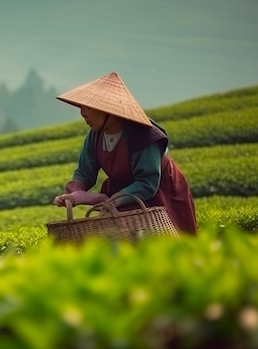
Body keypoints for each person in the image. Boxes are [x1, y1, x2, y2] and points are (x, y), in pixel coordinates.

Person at [52, 72, 197, 235]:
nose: (83, 113)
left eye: (89, 107)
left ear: (109, 111)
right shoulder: (96, 134)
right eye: (82, 107)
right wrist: (77, 192)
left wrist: (108, 200)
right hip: (121, 195)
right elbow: (85, 171)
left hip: (158, 193)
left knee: (166, 241)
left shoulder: (143, 135)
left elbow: (147, 183)